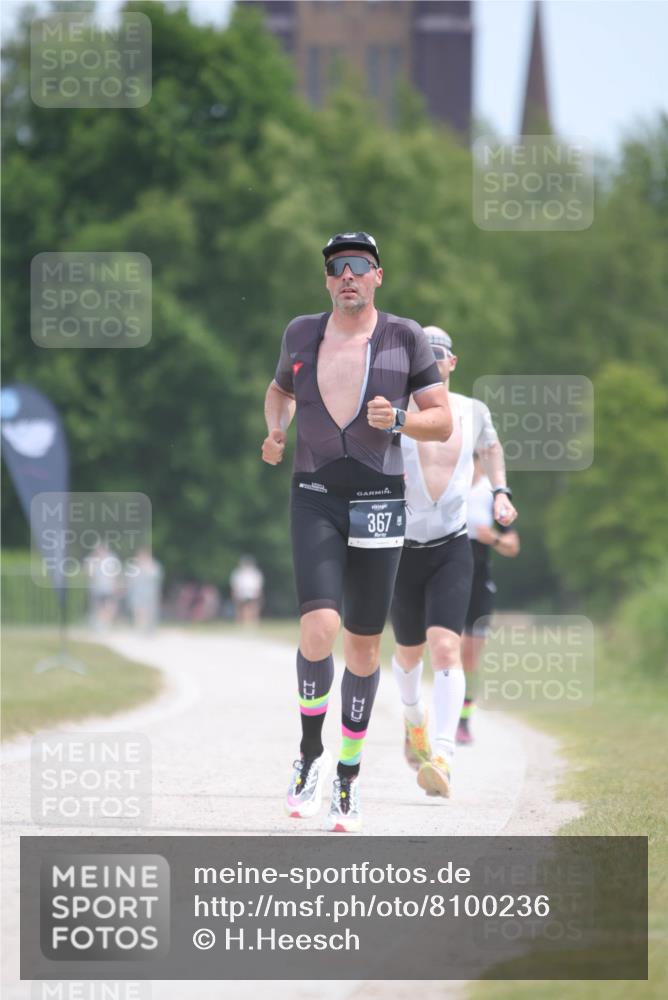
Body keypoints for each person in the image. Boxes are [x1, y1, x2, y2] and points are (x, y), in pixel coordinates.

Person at [261, 231, 452, 832]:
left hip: (378, 498)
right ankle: (309, 756)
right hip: (314, 493)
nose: (347, 274)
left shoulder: (405, 336)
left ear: (377, 276)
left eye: (358, 266)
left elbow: (442, 420)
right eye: (337, 266)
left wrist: (398, 419)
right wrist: (275, 430)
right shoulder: (301, 333)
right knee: (319, 627)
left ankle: (348, 777)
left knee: (365, 648)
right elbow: (278, 391)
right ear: (327, 280)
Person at [390, 327, 518, 797]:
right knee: (407, 655)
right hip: (401, 549)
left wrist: (501, 492)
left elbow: (492, 448)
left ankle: (442, 755)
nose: (431, 362)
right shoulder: (394, 409)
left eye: (437, 355)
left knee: (446, 648)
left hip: (451, 547)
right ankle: (413, 721)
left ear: (452, 363)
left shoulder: (472, 410)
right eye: (421, 355)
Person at [458, 454, 520, 744]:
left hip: (481, 584)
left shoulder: (490, 494)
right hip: (449, 580)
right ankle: (444, 717)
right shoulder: (449, 483)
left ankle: (464, 720)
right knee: (450, 652)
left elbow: (512, 546)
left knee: (470, 656)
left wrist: (492, 538)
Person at [125, 546, 163, 633]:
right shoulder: (134, 566)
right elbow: (130, 580)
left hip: (149, 593)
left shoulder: (153, 565)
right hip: (137, 593)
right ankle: (139, 629)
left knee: (148, 612)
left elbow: (156, 579)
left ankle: (148, 630)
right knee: (138, 612)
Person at [229, 555, 264, 624]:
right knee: (240, 607)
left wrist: (258, 592)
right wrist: (234, 592)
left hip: (252, 592)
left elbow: (258, 584)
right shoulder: (238, 573)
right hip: (241, 592)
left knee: (254, 607)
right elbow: (235, 584)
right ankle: (240, 621)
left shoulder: (255, 573)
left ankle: (253, 621)